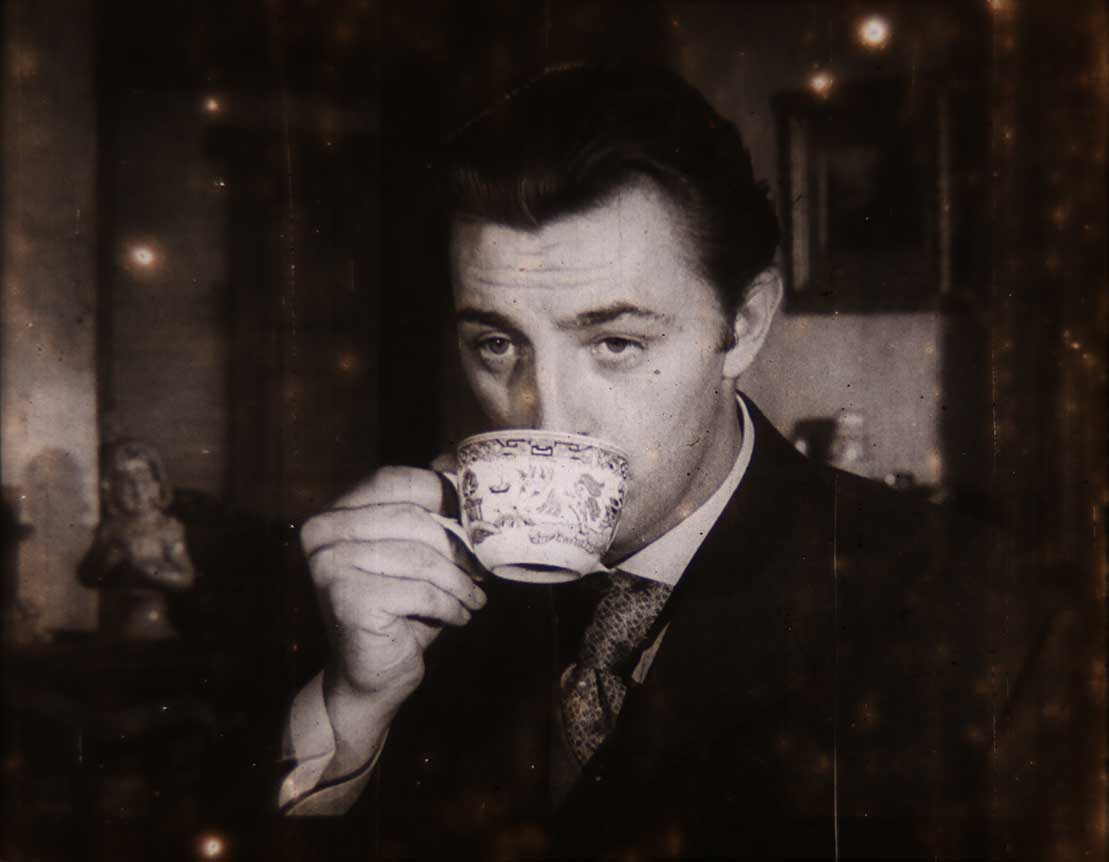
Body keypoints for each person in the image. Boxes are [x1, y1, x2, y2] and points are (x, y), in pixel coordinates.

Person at [277, 63, 1059, 859]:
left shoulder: (983, 622)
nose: (547, 418)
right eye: (496, 344)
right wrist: (352, 707)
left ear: (743, 325)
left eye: (615, 343)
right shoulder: (406, 595)